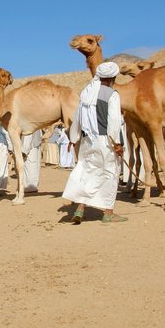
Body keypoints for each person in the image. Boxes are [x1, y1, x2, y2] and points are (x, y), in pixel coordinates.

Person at [63, 61, 126, 224]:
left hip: (86, 141)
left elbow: (77, 117)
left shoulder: (86, 93)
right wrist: (117, 143)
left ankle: (80, 209)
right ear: (113, 77)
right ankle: (108, 213)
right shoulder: (112, 94)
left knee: (87, 173)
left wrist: (73, 138)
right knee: (110, 173)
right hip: (105, 141)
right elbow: (114, 122)